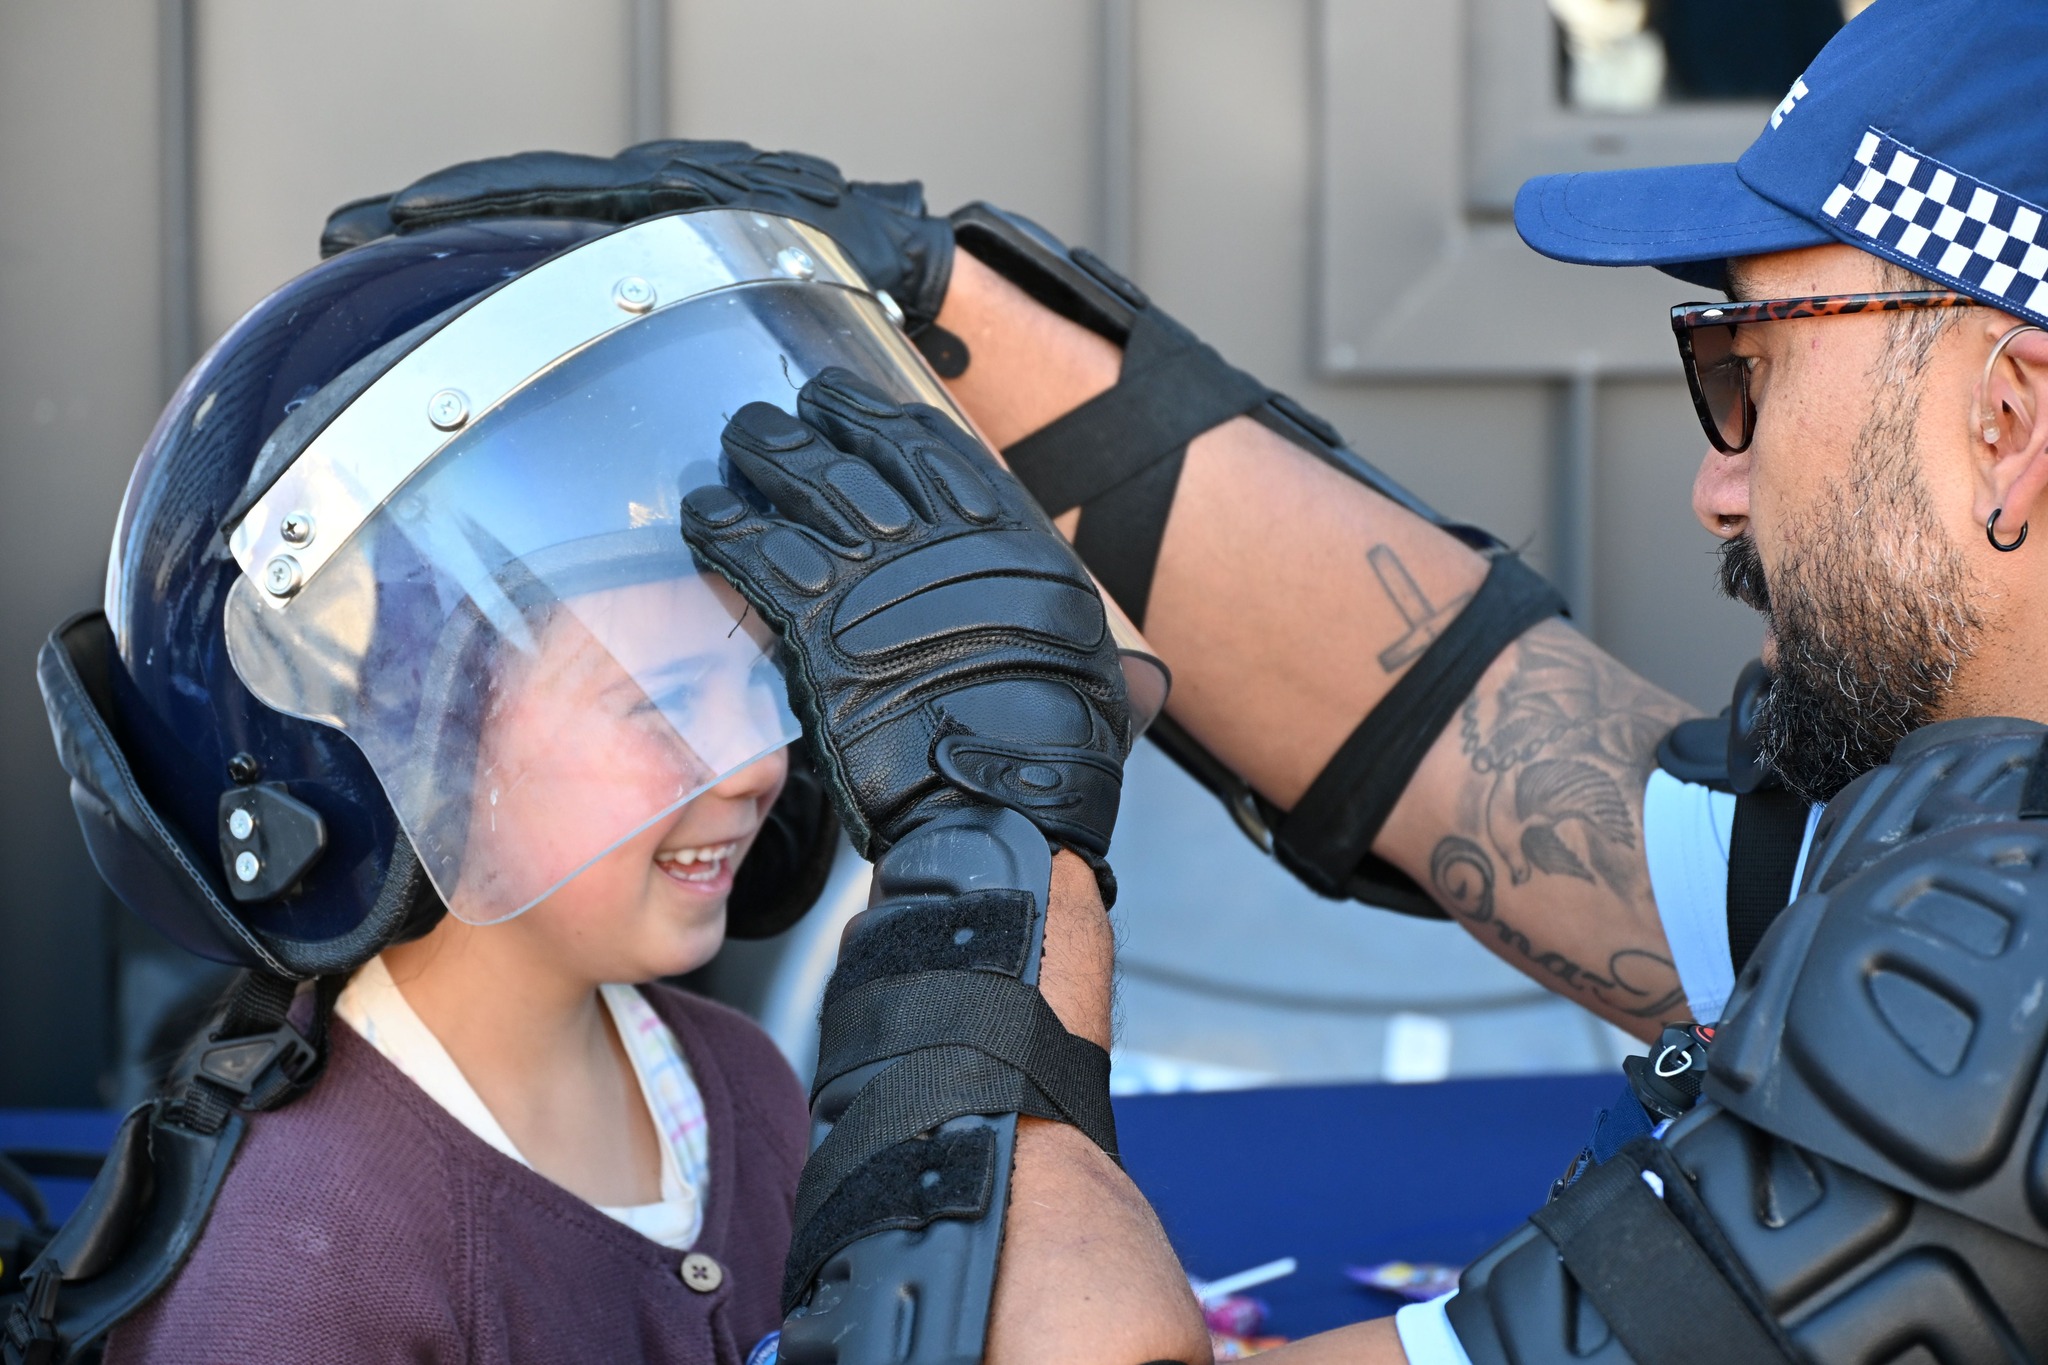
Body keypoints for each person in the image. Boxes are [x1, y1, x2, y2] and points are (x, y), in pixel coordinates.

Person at [331, 0, 2048, 1358]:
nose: (1717, 485)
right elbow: (1495, 753)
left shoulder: (1993, 1036)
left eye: (1743, 366)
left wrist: (989, 821)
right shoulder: (1974, 848)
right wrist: (928, 300)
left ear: (2007, 415)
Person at [0, 205, 978, 1364]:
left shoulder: (742, 1089)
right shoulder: (296, 1272)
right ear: (416, 752)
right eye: (662, 701)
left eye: (761, 676)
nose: (761, 760)